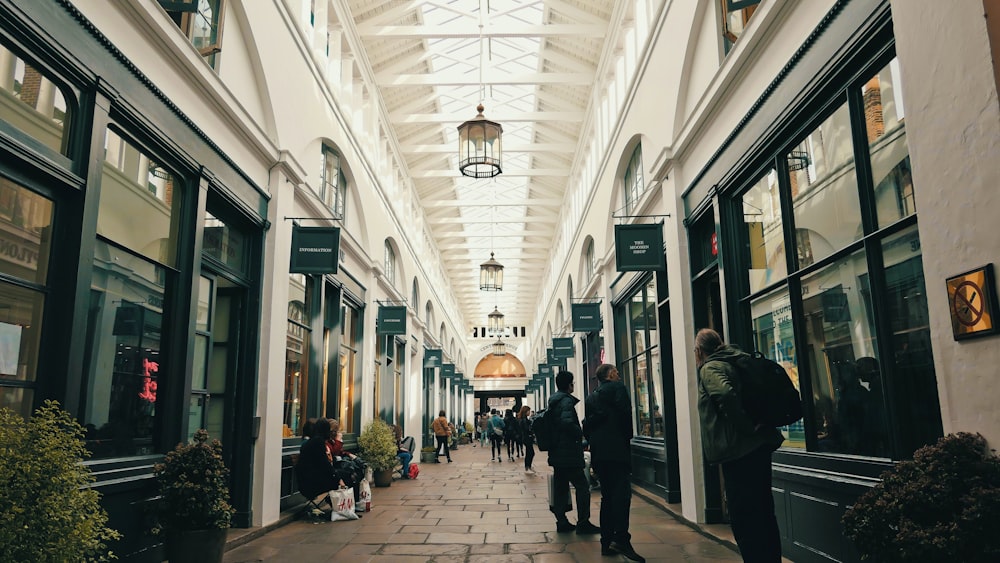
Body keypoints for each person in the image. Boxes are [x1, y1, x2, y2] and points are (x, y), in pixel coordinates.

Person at [695, 328, 783, 563]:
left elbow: (724, 394)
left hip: (739, 452)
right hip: (757, 448)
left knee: (744, 518)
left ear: (699, 351)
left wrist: (744, 427)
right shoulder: (736, 359)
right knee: (764, 513)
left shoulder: (711, 367)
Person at [584, 364, 643, 562]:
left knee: (607, 497)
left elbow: (588, 426)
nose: (619, 375)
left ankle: (606, 542)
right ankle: (622, 540)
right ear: (609, 375)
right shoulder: (619, 388)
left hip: (600, 453)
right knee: (622, 496)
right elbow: (627, 417)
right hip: (617, 450)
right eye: (616, 372)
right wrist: (626, 440)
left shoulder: (592, 397)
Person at [546, 370, 600, 535]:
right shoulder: (565, 402)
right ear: (569, 384)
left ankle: (561, 521)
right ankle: (583, 522)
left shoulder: (554, 400)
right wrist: (579, 433)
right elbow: (567, 423)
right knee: (583, 487)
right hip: (568, 453)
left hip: (558, 453)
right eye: (573, 383)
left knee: (561, 488)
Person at [296, 418, 362, 516]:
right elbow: (324, 465)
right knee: (346, 476)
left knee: (347, 473)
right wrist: (338, 479)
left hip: (310, 479)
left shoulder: (315, 441)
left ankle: (347, 506)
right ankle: (345, 507)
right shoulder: (318, 442)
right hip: (311, 484)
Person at [517, 405, 536, 474]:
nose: (529, 412)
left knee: (529, 452)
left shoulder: (523, 419)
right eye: (528, 411)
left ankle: (528, 466)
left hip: (525, 437)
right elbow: (527, 429)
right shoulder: (524, 420)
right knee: (530, 453)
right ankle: (528, 467)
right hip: (527, 437)